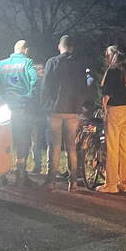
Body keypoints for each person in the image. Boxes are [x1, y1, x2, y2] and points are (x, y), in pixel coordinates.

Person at [40, 35, 89, 191]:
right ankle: (73, 182)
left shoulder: (52, 62)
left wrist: (45, 104)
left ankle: (51, 181)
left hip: (54, 110)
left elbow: (46, 86)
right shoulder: (80, 65)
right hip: (72, 111)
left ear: (59, 46)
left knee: (53, 146)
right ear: (72, 47)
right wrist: (80, 106)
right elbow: (83, 87)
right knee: (71, 146)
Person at [0, 40, 38, 186]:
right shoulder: (28, 63)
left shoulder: (1, 64)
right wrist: (28, 96)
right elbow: (35, 80)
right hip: (22, 107)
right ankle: (21, 175)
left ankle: (1, 174)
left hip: (4, 107)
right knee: (22, 140)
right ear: (26, 50)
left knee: (4, 140)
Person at [96, 45, 126, 194]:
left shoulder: (112, 71)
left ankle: (111, 184)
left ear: (111, 56)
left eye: (107, 55)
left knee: (112, 147)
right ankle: (124, 183)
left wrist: (103, 109)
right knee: (125, 147)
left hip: (115, 111)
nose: (106, 58)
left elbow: (106, 95)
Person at [30, 62, 48, 175]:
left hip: (42, 115)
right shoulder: (36, 83)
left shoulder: (40, 83)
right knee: (37, 142)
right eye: (38, 69)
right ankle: (39, 166)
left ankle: (41, 166)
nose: (41, 71)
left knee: (40, 142)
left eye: (41, 69)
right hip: (39, 115)